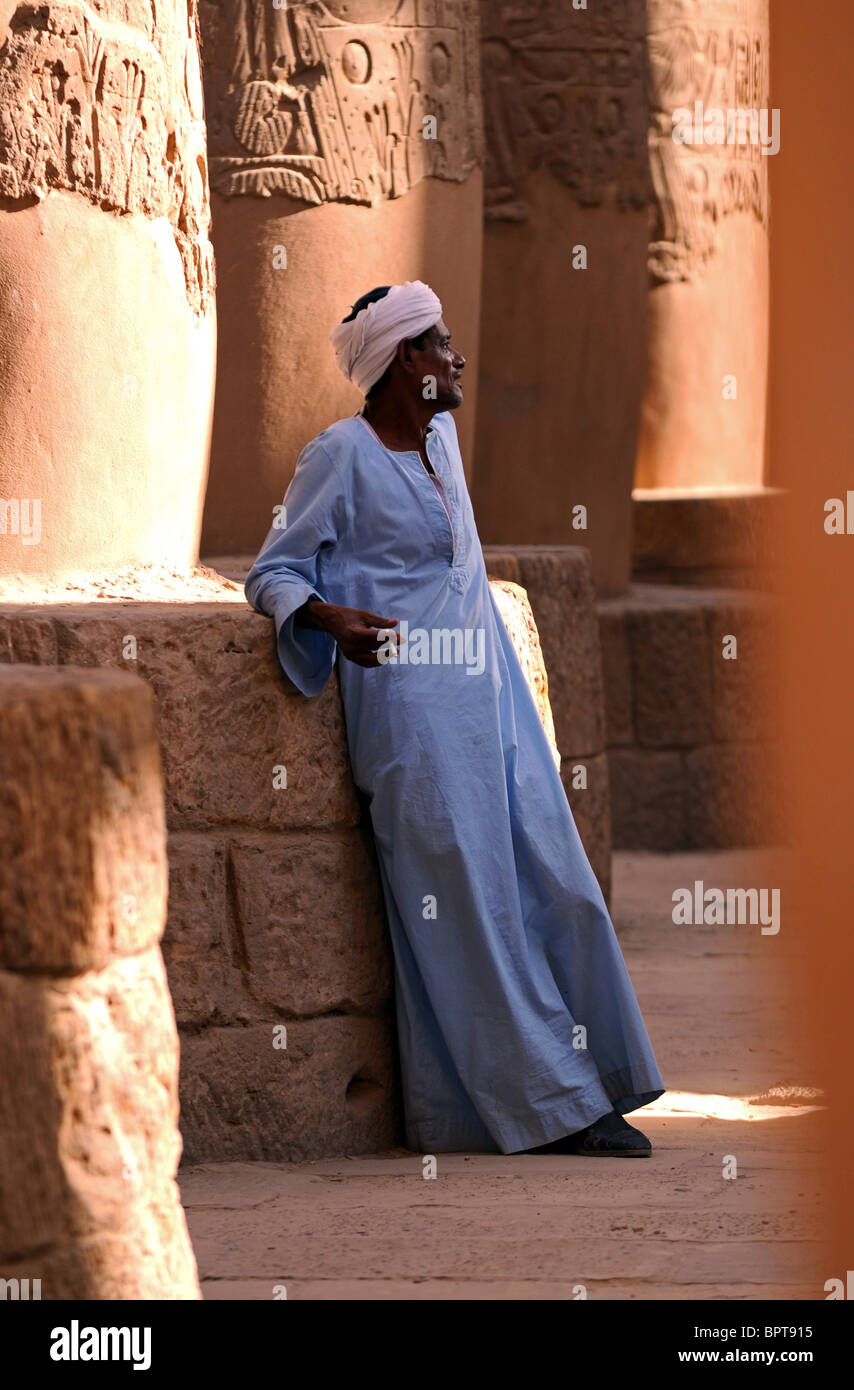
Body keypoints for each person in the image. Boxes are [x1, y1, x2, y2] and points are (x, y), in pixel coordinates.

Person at [244, 281, 664, 1157]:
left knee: (560, 884)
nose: (457, 356)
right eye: (440, 343)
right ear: (404, 360)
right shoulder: (339, 456)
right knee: (466, 910)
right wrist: (329, 618)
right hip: (413, 722)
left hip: (493, 704)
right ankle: (558, 1111)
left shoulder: (443, 438)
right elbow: (273, 572)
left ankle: (599, 1074)